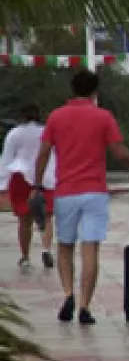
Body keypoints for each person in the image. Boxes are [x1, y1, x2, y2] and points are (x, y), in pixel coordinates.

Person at [33, 70, 129, 325]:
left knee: (65, 246)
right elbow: (119, 152)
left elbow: (43, 153)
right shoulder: (103, 117)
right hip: (95, 191)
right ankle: (85, 306)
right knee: (90, 249)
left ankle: (67, 294)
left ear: (72, 90)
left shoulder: (56, 117)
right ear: (95, 92)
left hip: (65, 191)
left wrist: (38, 183)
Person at [0, 104, 56, 271]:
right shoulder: (47, 132)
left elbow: (7, 158)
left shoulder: (15, 134)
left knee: (25, 220)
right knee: (46, 217)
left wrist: (2, 183)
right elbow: (55, 156)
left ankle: (25, 256)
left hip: (20, 177)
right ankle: (46, 249)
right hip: (44, 178)